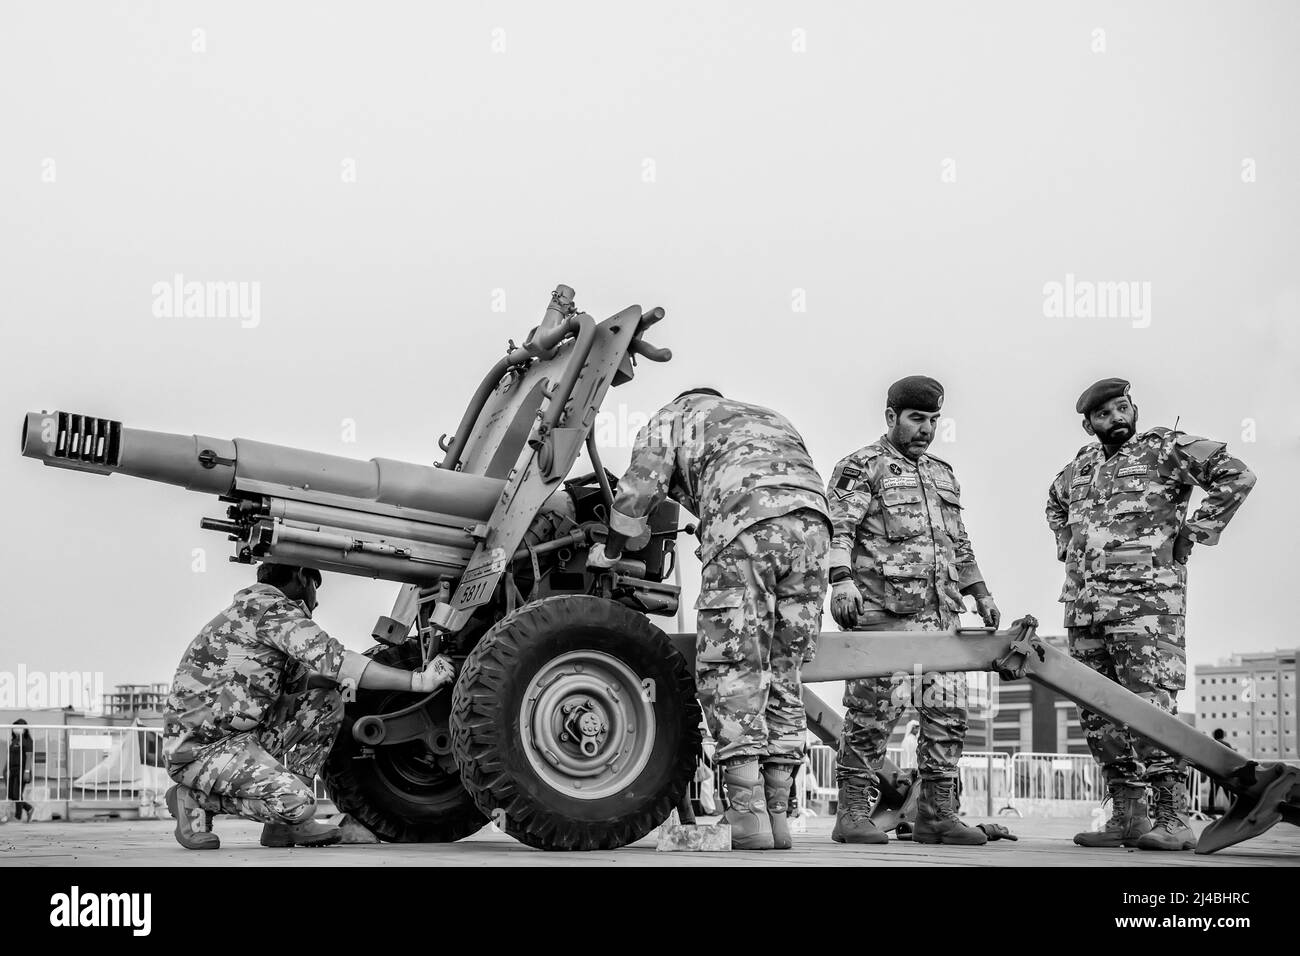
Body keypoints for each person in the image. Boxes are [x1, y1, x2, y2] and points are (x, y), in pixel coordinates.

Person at [588, 388, 830, 850]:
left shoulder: (674, 416)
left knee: (734, 667)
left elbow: (638, 492)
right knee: (784, 671)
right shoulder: (767, 415)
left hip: (747, 526)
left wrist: (611, 552)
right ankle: (777, 819)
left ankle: (746, 816)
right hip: (814, 530)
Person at [1046, 378, 1255, 851]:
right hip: (1084, 608)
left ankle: (1172, 816)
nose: (1116, 418)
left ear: (1133, 409)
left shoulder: (1164, 448)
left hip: (1147, 607)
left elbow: (1236, 474)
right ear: (1088, 424)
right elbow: (1055, 504)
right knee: (1098, 714)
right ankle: (1128, 813)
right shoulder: (1080, 467)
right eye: (1104, 414)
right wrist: (1068, 545)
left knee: (1150, 708)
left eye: (1122, 408)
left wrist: (1196, 531)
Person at [164, 563, 456, 850]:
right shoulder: (272, 611)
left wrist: (354, 678)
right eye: (317, 586)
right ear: (303, 578)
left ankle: (286, 828)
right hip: (202, 750)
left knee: (325, 704)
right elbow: (337, 660)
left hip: (236, 736)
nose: (317, 600)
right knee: (299, 804)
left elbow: (307, 682)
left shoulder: (256, 612)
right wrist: (418, 681)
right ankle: (196, 799)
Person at [827, 375, 999, 847]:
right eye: (917, 419)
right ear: (891, 418)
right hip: (884, 617)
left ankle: (937, 816)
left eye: (934, 421)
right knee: (871, 715)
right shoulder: (861, 467)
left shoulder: (943, 473)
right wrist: (840, 581)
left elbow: (959, 543)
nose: (926, 429)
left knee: (948, 715)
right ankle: (853, 814)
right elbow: (837, 529)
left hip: (941, 619)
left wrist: (980, 592)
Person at [4, 720, 35, 823]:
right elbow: (10, 756)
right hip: (12, 770)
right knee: (12, 794)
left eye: (19, 727)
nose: (16, 729)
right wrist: (5, 769)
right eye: (15, 727)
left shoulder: (27, 740)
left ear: (24, 728)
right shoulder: (14, 740)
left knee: (17, 794)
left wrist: (27, 771)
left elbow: (29, 756)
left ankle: (17, 817)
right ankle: (28, 808)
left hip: (22, 770)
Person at [1207, 728, 1236, 816]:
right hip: (1225, 772)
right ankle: (1234, 809)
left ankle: (1211, 811)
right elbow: (1232, 758)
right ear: (1223, 735)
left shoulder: (1212, 744)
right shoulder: (1227, 745)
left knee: (1213, 792)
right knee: (1227, 791)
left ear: (1214, 735)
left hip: (1214, 771)